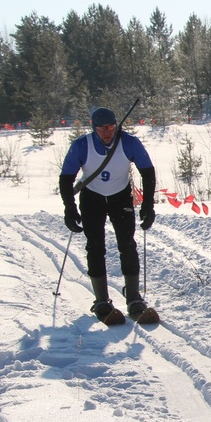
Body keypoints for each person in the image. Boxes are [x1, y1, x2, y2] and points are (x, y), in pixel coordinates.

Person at [58, 107, 157, 324]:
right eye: (102, 128)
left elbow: (148, 171)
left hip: (120, 197)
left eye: (111, 127)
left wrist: (148, 205)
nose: (107, 132)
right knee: (95, 246)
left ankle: (133, 297)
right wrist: (69, 208)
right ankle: (101, 300)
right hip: (92, 198)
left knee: (127, 244)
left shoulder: (129, 143)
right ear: (93, 127)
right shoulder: (82, 146)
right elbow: (66, 177)